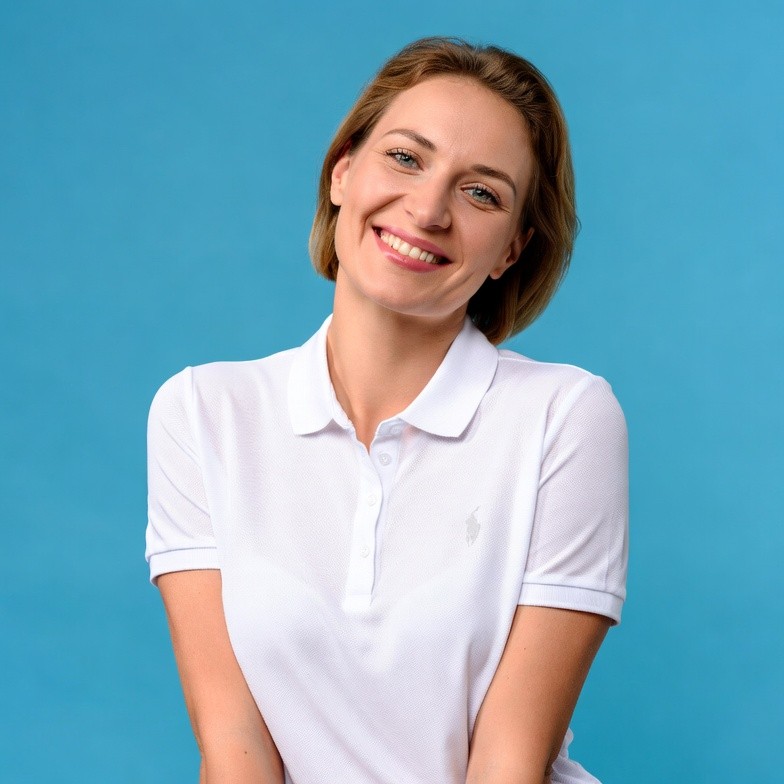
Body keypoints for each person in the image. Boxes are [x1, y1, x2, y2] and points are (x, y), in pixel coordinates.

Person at [146, 37, 628, 784]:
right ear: (343, 171)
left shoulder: (565, 416)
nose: (428, 209)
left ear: (511, 249)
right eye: (405, 158)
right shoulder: (202, 412)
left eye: (481, 193)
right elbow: (235, 748)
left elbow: (508, 762)